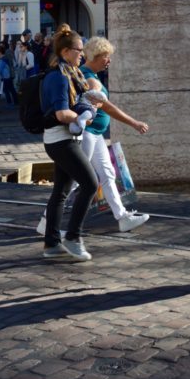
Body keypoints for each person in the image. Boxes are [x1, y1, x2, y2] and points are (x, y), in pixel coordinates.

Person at [39, 37, 151, 234]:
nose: (109, 61)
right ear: (98, 56)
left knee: (107, 174)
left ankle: (122, 217)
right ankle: (46, 223)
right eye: (107, 57)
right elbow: (105, 105)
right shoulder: (90, 78)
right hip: (87, 134)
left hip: (96, 134)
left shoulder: (89, 75)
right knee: (73, 182)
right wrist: (134, 123)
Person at [40, 28, 99, 262]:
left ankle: (51, 244)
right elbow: (62, 113)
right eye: (78, 50)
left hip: (66, 139)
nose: (82, 55)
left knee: (61, 192)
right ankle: (73, 238)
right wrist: (82, 118)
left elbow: (80, 102)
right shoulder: (58, 77)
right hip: (60, 139)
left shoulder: (72, 73)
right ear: (65, 51)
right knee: (90, 183)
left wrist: (90, 110)